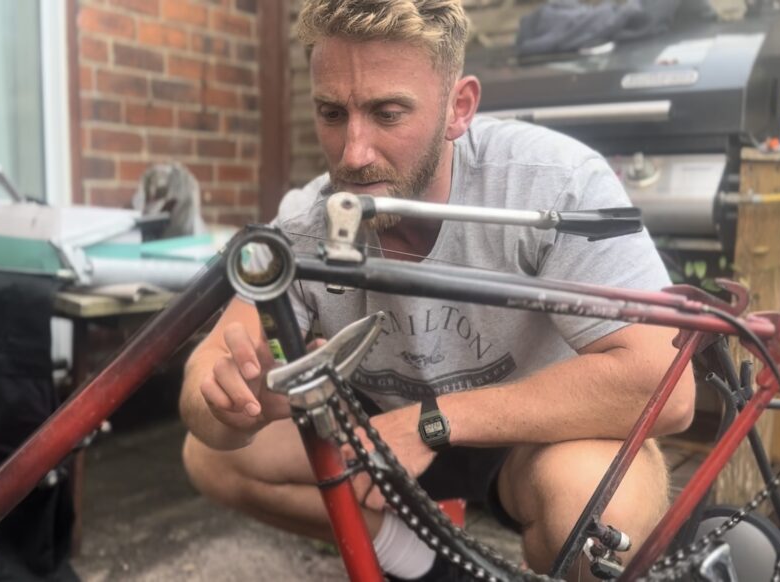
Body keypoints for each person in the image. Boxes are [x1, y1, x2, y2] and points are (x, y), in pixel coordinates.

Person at [179, 1, 695, 580]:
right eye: (331, 112)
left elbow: (667, 388)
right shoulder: (306, 224)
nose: (354, 153)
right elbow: (208, 392)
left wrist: (436, 420)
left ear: (459, 108)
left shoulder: (551, 185)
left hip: (534, 436)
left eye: (388, 113)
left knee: (599, 520)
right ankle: (428, 565)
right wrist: (230, 400)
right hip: (381, 439)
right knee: (212, 459)